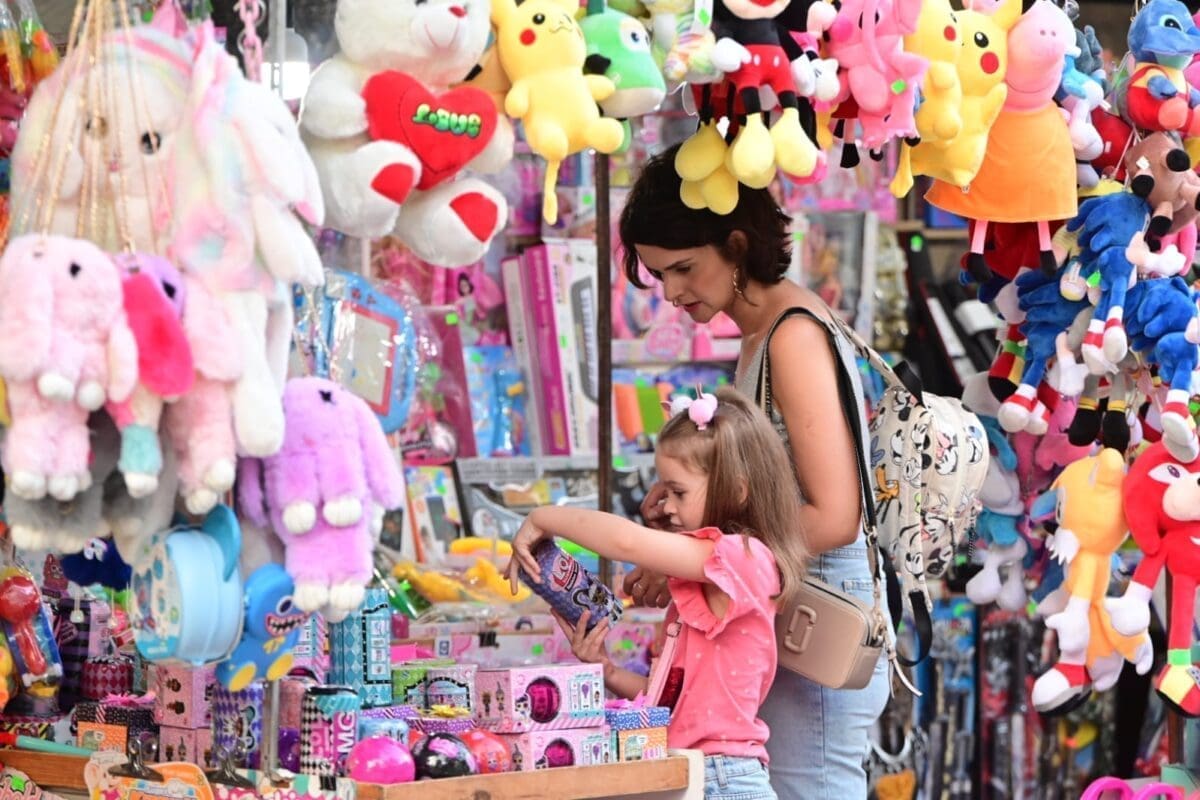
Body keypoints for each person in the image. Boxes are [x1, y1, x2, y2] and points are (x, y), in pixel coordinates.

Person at [616, 144, 891, 796]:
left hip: (815, 623)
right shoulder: (763, 334)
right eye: (659, 274)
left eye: (684, 268)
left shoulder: (791, 336)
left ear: (736, 246)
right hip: (788, 619)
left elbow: (835, 515)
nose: (672, 292)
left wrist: (699, 557)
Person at [506, 388, 807, 800]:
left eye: (678, 492)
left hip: (723, 778)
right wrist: (608, 671)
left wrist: (543, 517)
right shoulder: (711, 575)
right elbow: (669, 704)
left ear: (737, 491)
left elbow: (627, 542)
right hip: (694, 772)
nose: (665, 506)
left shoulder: (743, 558)